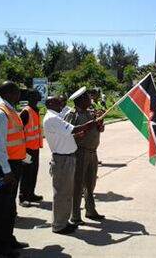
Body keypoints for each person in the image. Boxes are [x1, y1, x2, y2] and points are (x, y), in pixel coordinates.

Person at [43, 96, 98, 234]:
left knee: (66, 194)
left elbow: (66, 134)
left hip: (67, 158)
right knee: (62, 194)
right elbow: (73, 129)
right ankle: (59, 225)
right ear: (49, 104)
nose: (61, 104)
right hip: (62, 160)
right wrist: (89, 124)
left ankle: (63, 222)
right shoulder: (52, 118)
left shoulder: (56, 117)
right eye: (57, 102)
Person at [0, 81, 28, 257]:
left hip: (12, 164)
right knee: (1, 208)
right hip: (2, 166)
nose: (19, 95)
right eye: (17, 92)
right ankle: (1, 247)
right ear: (9, 93)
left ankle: (8, 238)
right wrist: (7, 171)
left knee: (9, 207)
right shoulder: (1, 113)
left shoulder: (11, 111)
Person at [65, 87, 105, 225]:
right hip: (80, 152)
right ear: (81, 100)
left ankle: (90, 210)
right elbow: (67, 134)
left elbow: (100, 129)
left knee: (90, 183)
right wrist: (80, 133)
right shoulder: (73, 115)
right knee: (78, 185)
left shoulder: (90, 112)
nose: (90, 99)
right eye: (87, 97)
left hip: (93, 152)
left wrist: (100, 121)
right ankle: (75, 215)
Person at [18, 89, 44, 207]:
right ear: (31, 97)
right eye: (37, 94)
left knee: (33, 172)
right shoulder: (26, 112)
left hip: (34, 148)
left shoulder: (35, 110)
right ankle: (23, 197)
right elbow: (19, 131)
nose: (40, 95)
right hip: (26, 149)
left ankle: (31, 193)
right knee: (26, 173)